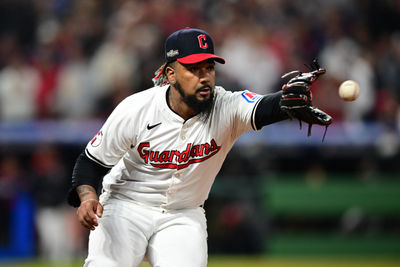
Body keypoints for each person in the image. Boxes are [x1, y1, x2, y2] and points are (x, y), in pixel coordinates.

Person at [67, 27, 331, 267]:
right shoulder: (136, 109)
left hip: (183, 213)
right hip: (125, 206)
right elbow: (90, 163)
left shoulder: (225, 106)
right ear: (171, 74)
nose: (204, 77)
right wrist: (88, 197)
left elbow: (263, 107)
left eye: (209, 68)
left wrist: (285, 101)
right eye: (194, 69)